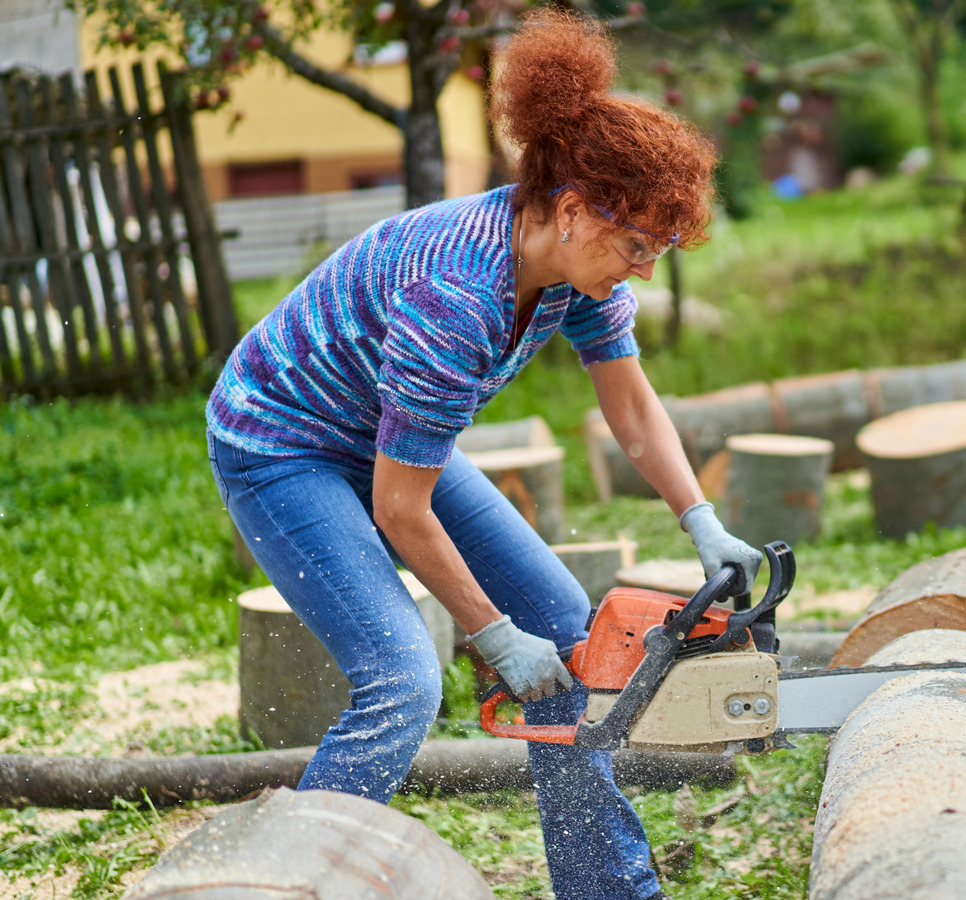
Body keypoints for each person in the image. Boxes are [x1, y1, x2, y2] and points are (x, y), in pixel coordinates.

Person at [203, 11, 759, 900]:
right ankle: (283, 885)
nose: (645, 269)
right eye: (638, 246)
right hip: (282, 441)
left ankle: (607, 889)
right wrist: (494, 636)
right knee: (402, 685)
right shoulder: (456, 297)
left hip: (381, 432)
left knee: (565, 627)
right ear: (573, 212)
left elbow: (632, 408)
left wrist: (701, 520)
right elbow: (401, 510)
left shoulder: (573, 268)